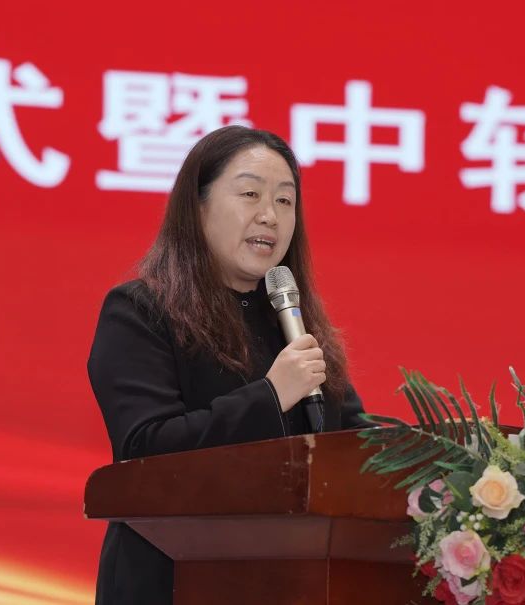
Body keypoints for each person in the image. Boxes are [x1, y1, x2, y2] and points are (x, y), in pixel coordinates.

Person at [87, 125, 370, 604]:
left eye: (285, 201)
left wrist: (436, 452)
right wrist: (270, 396)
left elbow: (349, 436)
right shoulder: (140, 311)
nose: (270, 216)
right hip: (169, 581)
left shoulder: (292, 321)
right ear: (197, 207)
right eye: (250, 194)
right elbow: (145, 449)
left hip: (283, 582)